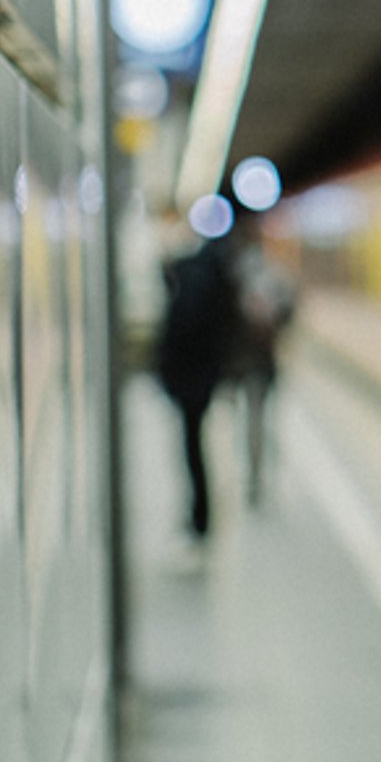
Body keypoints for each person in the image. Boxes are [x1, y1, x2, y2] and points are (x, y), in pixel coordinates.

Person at [155, 231, 241, 539]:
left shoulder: (191, 284)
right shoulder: (218, 279)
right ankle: (200, 515)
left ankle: (200, 518)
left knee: (192, 449)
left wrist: (169, 374)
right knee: (195, 447)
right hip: (205, 378)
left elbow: (180, 333)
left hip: (190, 381)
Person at [226, 215, 297, 506]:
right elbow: (289, 314)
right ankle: (261, 475)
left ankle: (256, 477)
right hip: (263, 363)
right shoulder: (275, 275)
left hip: (247, 364)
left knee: (253, 422)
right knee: (261, 421)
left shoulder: (236, 275)